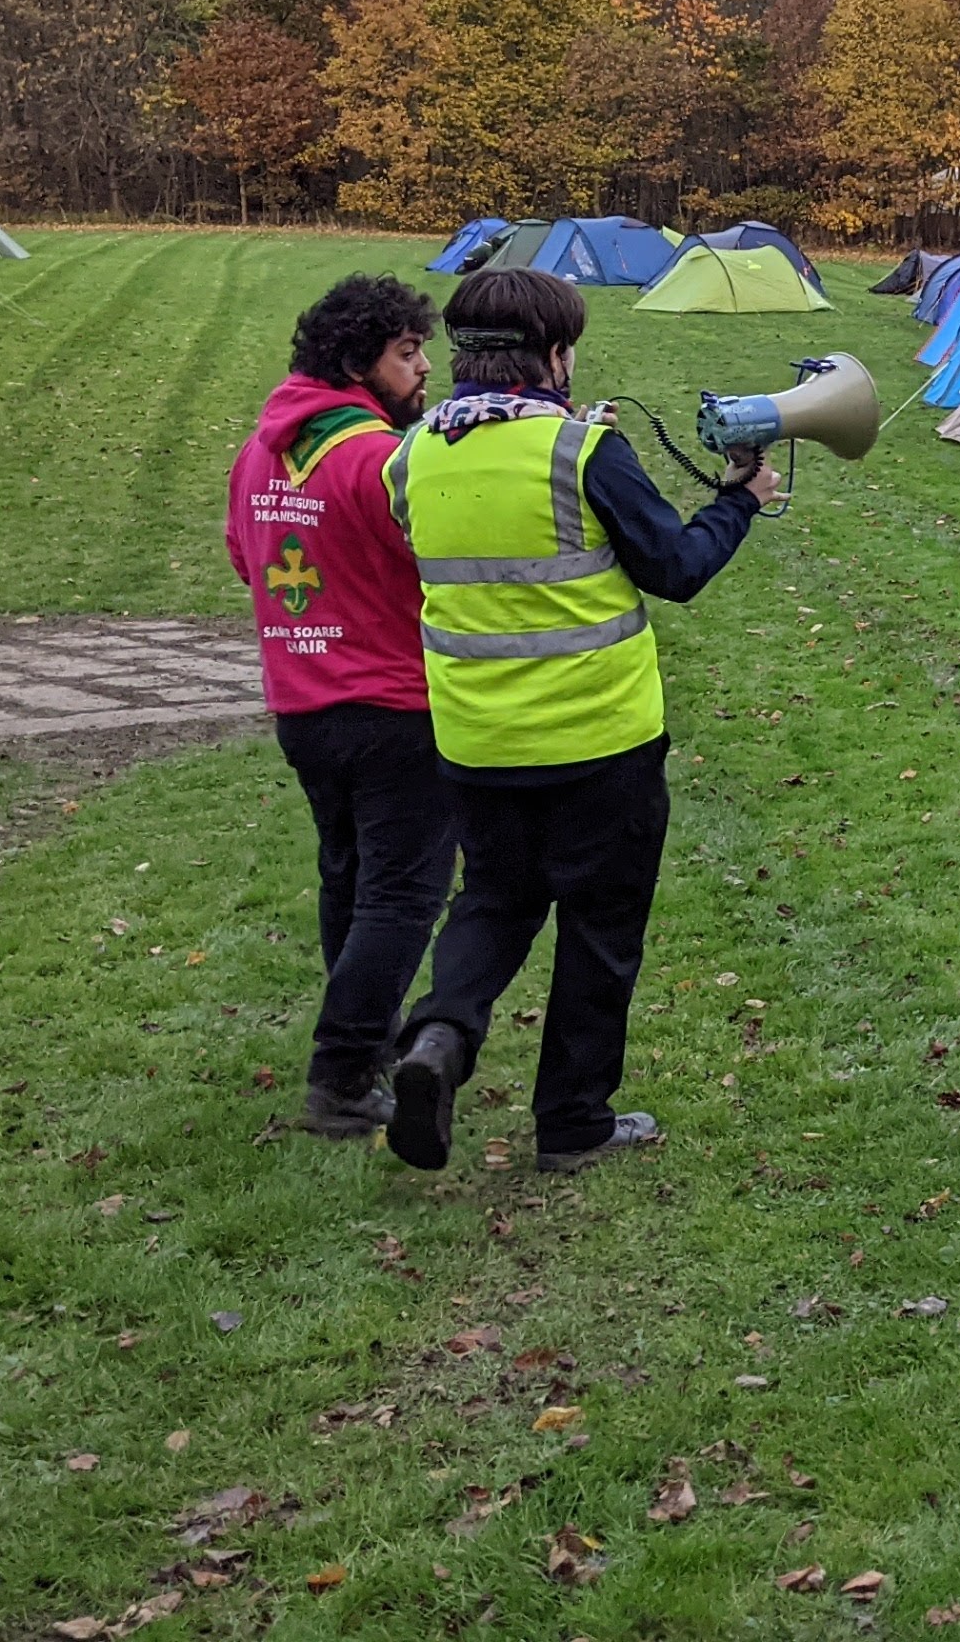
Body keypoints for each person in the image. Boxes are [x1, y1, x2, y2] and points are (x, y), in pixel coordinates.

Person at [379, 266, 769, 1175]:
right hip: (601, 741)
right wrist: (739, 499)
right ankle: (573, 1122)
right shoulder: (582, 452)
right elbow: (674, 566)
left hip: (476, 740)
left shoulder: (410, 457)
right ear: (554, 355)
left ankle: (438, 1038)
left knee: (493, 900)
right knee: (600, 929)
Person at [224, 273, 450, 1138]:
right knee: (402, 895)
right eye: (406, 352)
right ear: (360, 362)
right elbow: (438, 563)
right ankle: (345, 1074)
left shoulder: (260, 449)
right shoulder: (379, 459)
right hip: (393, 704)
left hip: (301, 705)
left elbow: (248, 561)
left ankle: (369, 1040)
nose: (423, 367)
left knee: (349, 877)